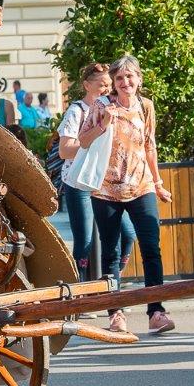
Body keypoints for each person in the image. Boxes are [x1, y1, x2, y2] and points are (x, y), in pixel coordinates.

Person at [83, 55, 172, 335]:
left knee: (151, 247)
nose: (125, 82)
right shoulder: (101, 105)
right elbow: (83, 141)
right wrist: (103, 124)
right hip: (106, 189)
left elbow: (150, 145)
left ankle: (156, 311)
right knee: (110, 252)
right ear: (113, 82)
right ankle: (116, 313)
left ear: (139, 79)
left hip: (141, 186)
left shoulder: (146, 106)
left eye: (130, 76)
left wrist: (158, 182)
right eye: (119, 78)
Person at [57, 63, 136, 282]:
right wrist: (92, 145)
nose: (107, 89)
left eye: (109, 85)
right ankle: (81, 292)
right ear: (86, 85)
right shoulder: (77, 111)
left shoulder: (115, 108)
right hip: (80, 182)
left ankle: (111, 283)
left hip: (107, 182)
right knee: (85, 242)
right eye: (101, 85)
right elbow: (64, 150)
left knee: (128, 235)